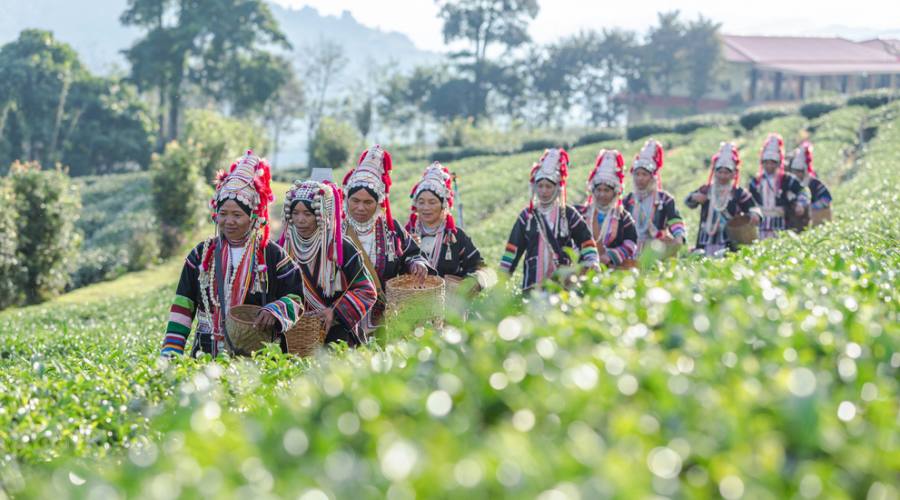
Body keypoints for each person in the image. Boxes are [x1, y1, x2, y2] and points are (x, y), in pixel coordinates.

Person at [161, 150, 303, 357]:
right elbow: (183, 304)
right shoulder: (201, 255)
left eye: (237, 215)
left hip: (256, 356)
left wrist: (276, 310)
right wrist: (170, 354)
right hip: (206, 352)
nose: (229, 221)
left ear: (253, 217)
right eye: (223, 214)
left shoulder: (271, 255)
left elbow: (296, 297)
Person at [280, 180, 377, 346]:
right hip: (292, 336)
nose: (300, 220)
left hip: (336, 336)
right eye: (295, 213)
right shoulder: (282, 248)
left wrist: (335, 312)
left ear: (321, 215)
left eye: (308, 214)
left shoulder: (340, 248)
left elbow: (366, 290)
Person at [342, 145, 428, 331]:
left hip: (384, 320)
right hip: (344, 319)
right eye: (355, 201)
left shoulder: (390, 228)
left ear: (378, 203)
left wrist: (416, 263)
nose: (361, 208)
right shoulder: (335, 230)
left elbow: (412, 253)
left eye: (368, 202)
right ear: (346, 200)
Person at [500, 148, 599, 291]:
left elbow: (587, 243)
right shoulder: (527, 217)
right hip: (532, 287)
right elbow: (512, 251)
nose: (544, 191)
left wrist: (590, 264)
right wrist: (501, 280)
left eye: (548, 186)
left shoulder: (568, 215)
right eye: (540, 186)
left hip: (563, 288)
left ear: (557, 188)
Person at [406, 161, 491, 290]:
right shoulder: (406, 234)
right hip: (413, 303)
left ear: (443, 206)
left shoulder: (456, 236)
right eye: (421, 202)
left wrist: (472, 283)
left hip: (450, 306)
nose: (426, 207)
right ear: (415, 204)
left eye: (432, 202)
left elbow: (480, 268)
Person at [685, 142, 762, 256]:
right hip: (706, 239)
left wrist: (754, 215)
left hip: (728, 239)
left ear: (733, 174)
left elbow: (753, 208)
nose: (722, 176)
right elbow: (688, 202)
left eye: (726, 172)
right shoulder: (706, 189)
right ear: (714, 172)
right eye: (719, 172)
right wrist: (694, 197)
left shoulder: (738, 193)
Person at [621, 139, 686, 254]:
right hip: (632, 250)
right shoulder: (627, 200)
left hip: (656, 249)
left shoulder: (664, 199)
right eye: (637, 174)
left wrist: (679, 237)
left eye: (644, 174)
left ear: (652, 177)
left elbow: (674, 220)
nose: (639, 178)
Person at [579, 149, 638, 267]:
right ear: (593, 191)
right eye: (598, 190)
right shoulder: (581, 213)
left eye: (606, 190)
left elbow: (631, 243)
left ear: (615, 193)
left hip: (613, 267)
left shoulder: (623, 217)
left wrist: (609, 256)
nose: (602, 194)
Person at [749, 133, 808, 239]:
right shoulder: (756, 181)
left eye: (772, 163)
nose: (769, 166)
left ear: (778, 163)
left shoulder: (787, 179)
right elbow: (750, 201)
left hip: (781, 223)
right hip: (761, 224)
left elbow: (803, 191)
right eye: (766, 163)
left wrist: (801, 204)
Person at [788, 141, 832, 224]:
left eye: (799, 171)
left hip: (814, 218)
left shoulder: (814, 183)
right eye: (794, 171)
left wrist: (810, 207)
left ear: (804, 171)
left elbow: (826, 199)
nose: (797, 174)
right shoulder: (790, 183)